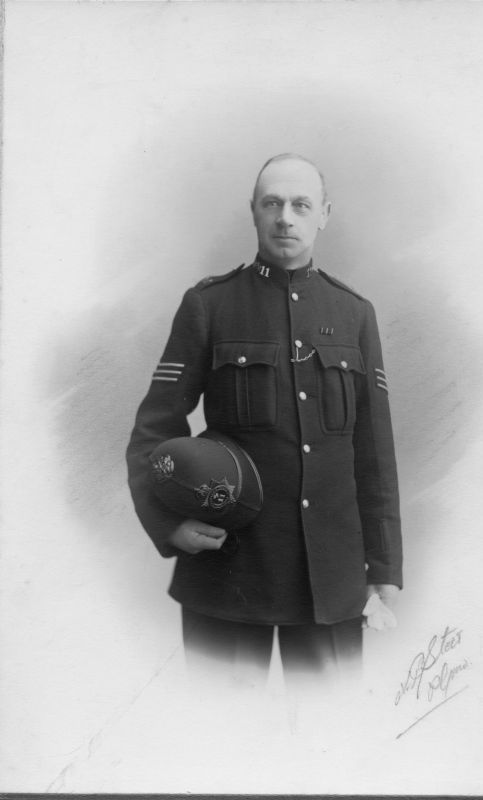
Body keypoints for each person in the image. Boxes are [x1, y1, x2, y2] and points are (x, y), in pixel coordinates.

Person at [126, 153, 402, 688]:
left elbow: (375, 451)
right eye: (272, 203)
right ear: (253, 211)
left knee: (331, 743)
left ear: (324, 213)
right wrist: (169, 525)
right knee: (222, 744)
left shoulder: (354, 314)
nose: (285, 218)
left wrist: (384, 566)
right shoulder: (209, 305)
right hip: (229, 571)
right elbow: (153, 431)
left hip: (332, 579)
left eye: (301, 205)